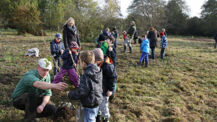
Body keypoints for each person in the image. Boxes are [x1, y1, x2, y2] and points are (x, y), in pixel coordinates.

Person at [67, 51, 103, 122]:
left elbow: (82, 92)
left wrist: (70, 94)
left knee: (89, 119)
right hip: (97, 99)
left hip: (90, 102)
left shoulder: (86, 75)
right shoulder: (97, 70)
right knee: (93, 116)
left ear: (83, 63)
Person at [95, 46, 117, 122]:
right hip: (99, 88)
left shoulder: (107, 65)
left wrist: (110, 90)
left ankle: (105, 118)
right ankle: (98, 116)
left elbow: (113, 77)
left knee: (104, 105)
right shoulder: (99, 63)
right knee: (97, 104)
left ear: (99, 59)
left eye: (95, 61)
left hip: (105, 90)